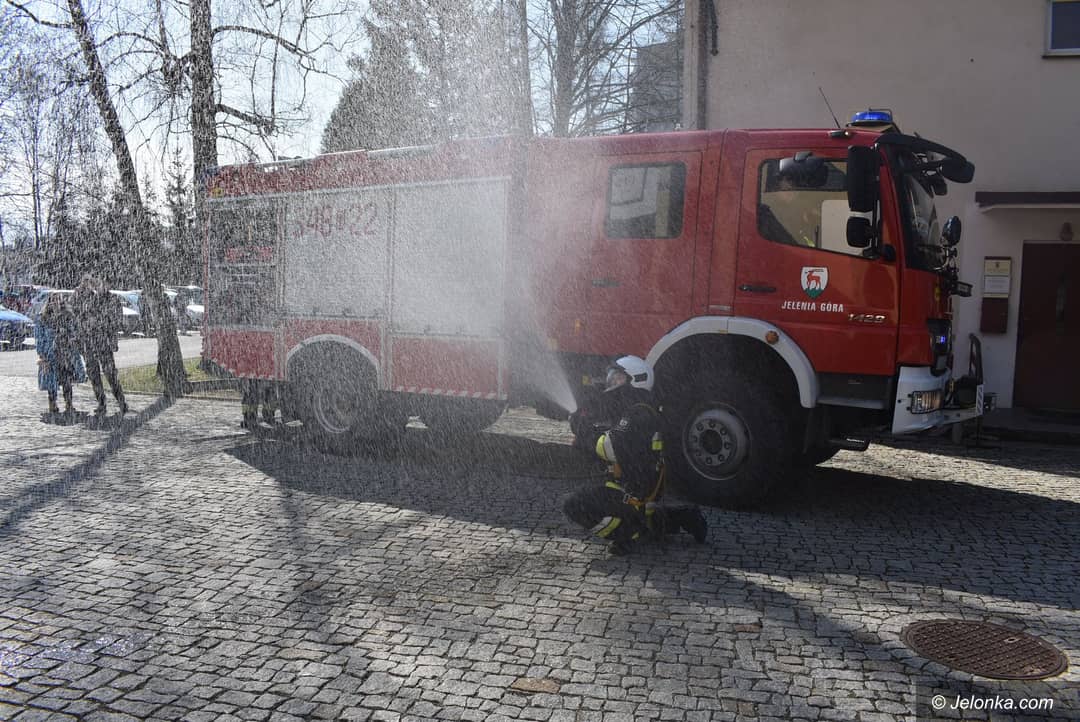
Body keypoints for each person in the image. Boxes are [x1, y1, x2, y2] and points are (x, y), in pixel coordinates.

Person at [563, 355, 708, 555]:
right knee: (642, 513)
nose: (612, 382)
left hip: (633, 490)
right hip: (637, 486)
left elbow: (610, 447)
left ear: (637, 380)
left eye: (618, 378)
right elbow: (616, 440)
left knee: (573, 505)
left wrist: (585, 435)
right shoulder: (638, 409)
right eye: (612, 377)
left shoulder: (637, 414)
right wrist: (585, 428)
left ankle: (630, 532)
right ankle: (682, 516)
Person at [73, 275, 128, 415]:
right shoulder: (91, 299)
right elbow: (79, 315)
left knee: (110, 374)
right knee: (94, 374)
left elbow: (116, 320)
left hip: (104, 342)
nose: (99, 287)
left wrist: (100, 323)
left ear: (108, 285)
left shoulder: (112, 299)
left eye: (103, 284)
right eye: (98, 284)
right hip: (89, 342)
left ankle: (121, 401)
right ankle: (101, 403)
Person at [36, 294, 86, 414]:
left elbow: (75, 332)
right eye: (53, 300)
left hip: (66, 354)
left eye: (57, 300)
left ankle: (69, 403)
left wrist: (71, 340)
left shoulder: (68, 316)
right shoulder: (43, 318)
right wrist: (42, 354)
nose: (55, 302)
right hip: (50, 354)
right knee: (51, 382)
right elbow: (40, 337)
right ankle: (52, 404)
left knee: (66, 380)